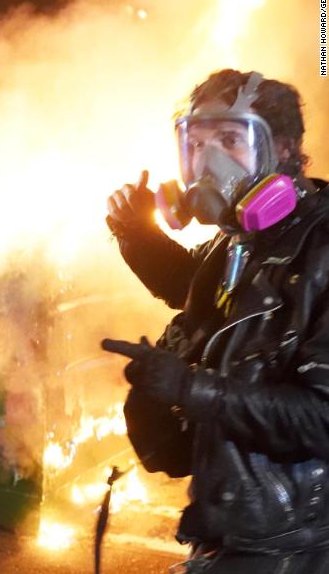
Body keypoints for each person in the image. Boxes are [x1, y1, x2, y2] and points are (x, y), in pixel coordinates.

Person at [102, 70, 329, 572]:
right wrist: (137, 235)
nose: (208, 162)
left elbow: (321, 417)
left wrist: (191, 387)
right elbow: (203, 292)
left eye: (230, 140)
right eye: (197, 142)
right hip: (232, 525)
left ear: (285, 149)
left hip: (297, 547)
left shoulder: (322, 247)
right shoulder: (239, 241)